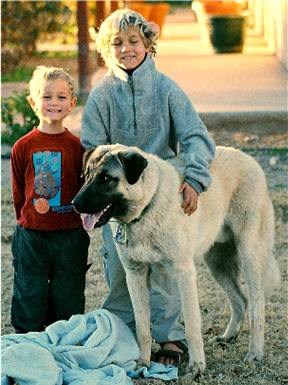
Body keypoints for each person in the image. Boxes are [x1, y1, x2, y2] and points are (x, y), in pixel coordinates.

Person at [80, 9, 215, 365]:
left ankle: (171, 338)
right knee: (121, 272)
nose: (126, 49)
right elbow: (92, 147)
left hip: (163, 199)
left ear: (148, 44)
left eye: (134, 41)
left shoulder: (168, 90)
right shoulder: (102, 95)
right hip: (118, 202)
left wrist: (195, 180)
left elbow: (196, 138)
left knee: (169, 273)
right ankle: (126, 339)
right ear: (107, 51)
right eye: (117, 43)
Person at [10, 66, 90, 333]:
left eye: (61, 97)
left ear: (72, 103)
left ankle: (62, 340)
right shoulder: (23, 146)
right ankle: (29, 341)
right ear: (33, 102)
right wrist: (27, 220)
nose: (54, 103)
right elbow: (19, 192)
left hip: (69, 235)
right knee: (29, 292)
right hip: (33, 236)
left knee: (68, 294)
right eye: (46, 97)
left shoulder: (77, 147)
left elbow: (82, 190)